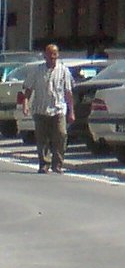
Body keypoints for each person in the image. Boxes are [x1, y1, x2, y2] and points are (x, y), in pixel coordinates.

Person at [22, 43, 75, 174]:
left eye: (54, 55)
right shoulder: (36, 70)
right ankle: (44, 164)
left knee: (61, 135)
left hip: (58, 109)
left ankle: (57, 164)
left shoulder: (64, 71)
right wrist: (25, 104)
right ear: (45, 55)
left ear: (57, 55)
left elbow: (68, 92)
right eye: (49, 55)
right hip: (41, 109)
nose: (52, 58)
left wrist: (71, 111)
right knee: (42, 139)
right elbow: (28, 89)